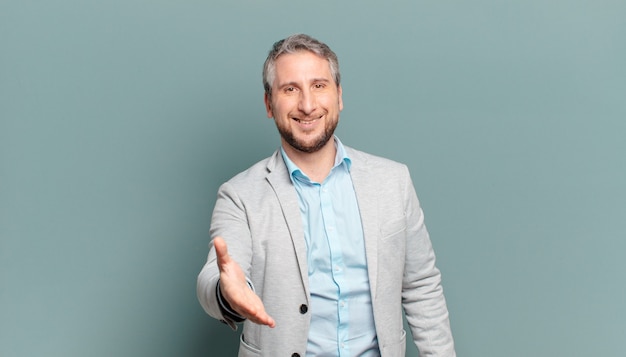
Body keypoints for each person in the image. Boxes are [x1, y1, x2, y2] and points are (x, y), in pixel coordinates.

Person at [197, 33, 456, 357]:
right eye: (290, 89)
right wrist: (227, 291)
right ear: (268, 104)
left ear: (339, 95)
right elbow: (214, 276)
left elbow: (422, 287)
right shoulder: (240, 195)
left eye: (319, 85)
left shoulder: (393, 181)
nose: (307, 105)